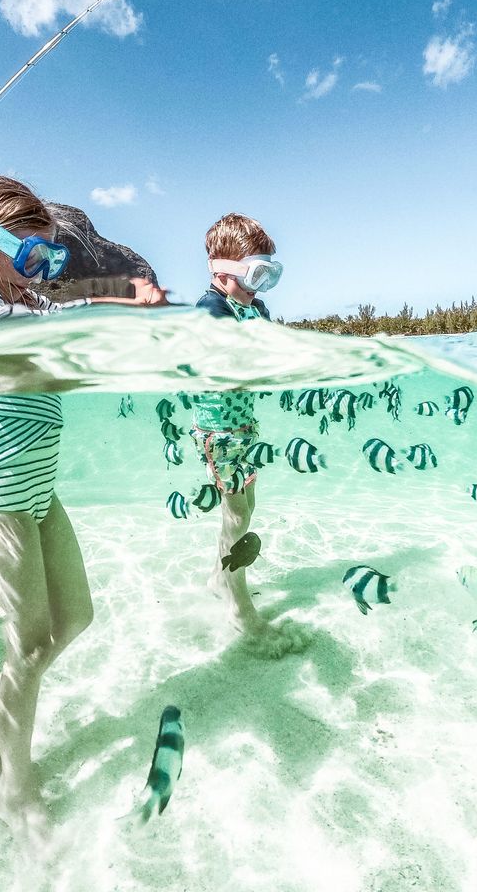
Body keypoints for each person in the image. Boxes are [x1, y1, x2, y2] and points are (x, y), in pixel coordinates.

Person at [0, 174, 166, 842]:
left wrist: (118, 296)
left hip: (37, 493)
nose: (40, 270)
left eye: (45, 256)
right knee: (29, 644)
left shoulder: (21, 292)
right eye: (29, 255)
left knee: (76, 616)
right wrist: (84, 314)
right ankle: (11, 788)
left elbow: (54, 318)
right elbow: (0, 333)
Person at [191, 213, 308, 657]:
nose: (262, 286)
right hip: (217, 430)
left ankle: (219, 577)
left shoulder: (255, 307)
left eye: (269, 274)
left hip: (244, 427)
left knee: (246, 508)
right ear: (221, 271)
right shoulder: (211, 308)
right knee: (237, 516)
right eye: (257, 274)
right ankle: (238, 607)